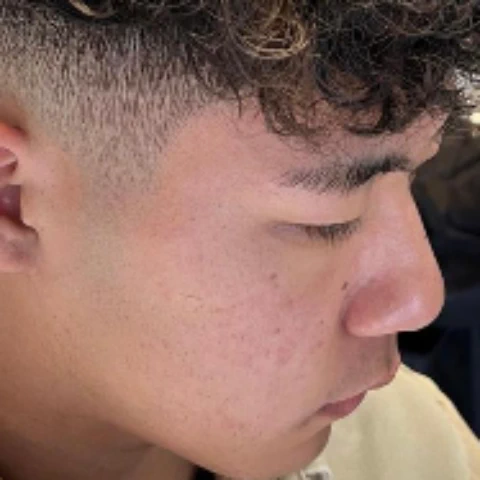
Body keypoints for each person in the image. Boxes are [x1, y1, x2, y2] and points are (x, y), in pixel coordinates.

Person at [0, 1, 478, 479]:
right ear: (12, 202)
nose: (421, 300)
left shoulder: (414, 449)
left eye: (413, 177)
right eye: (327, 222)